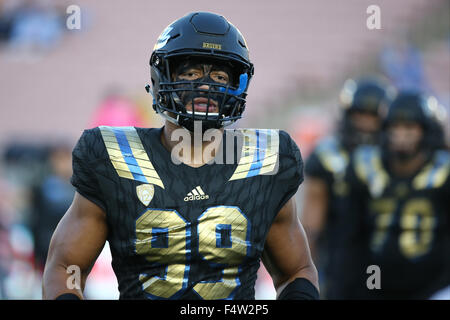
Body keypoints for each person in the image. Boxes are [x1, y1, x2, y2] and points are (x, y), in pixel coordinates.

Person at [42, 11, 319, 300]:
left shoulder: (266, 160)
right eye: (191, 73)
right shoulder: (113, 156)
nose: (206, 85)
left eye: (220, 76)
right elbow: (65, 266)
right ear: (162, 76)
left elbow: (296, 272)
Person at [347, 91, 450, 299]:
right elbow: (352, 236)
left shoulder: (443, 171)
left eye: (410, 127)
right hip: (377, 279)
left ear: (426, 130)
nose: (401, 134)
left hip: (435, 283)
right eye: (396, 127)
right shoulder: (366, 167)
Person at [301, 78, 391, 299]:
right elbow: (312, 228)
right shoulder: (327, 156)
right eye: (361, 115)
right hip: (341, 258)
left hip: (391, 254)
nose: (366, 125)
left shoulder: (398, 158)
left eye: (373, 117)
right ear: (347, 115)